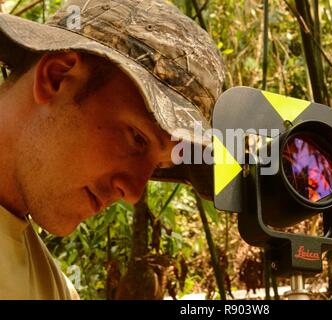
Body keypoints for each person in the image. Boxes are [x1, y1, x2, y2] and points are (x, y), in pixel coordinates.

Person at [0, 0, 225, 299]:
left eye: (160, 165)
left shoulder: (54, 290)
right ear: (56, 77)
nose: (132, 193)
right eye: (138, 139)